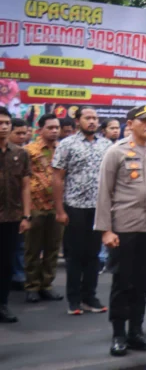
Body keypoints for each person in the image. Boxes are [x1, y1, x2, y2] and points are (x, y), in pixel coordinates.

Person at [95, 105, 146, 356]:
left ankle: (136, 332)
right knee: (122, 282)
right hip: (124, 229)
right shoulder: (116, 152)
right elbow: (104, 193)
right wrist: (106, 230)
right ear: (130, 124)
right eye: (144, 120)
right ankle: (118, 334)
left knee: (141, 283)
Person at [52, 106, 112, 316]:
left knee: (94, 255)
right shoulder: (67, 144)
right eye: (88, 118)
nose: (92, 122)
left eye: (95, 118)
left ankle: (90, 296)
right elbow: (58, 178)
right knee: (75, 255)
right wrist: (60, 210)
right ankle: (74, 299)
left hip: (99, 209)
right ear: (78, 121)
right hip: (75, 207)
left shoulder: (106, 145)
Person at [24, 114, 64, 304]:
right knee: (32, 249)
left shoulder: (63, 149)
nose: (55, 131)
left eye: (57, 127)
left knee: (52, 248)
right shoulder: (29, 150)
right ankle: (32, 286)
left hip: (57, 207)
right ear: (40, 130)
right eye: (50, 127)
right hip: (35, 206)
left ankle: (46, 285)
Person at [0, 107, 30, 323]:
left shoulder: (20, 153)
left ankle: (2, 305)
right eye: (0, 123)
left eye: (6, 123)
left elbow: (25, 186)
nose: (3, 127)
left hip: (11, 217)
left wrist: (26, 216)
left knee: (6, 264)